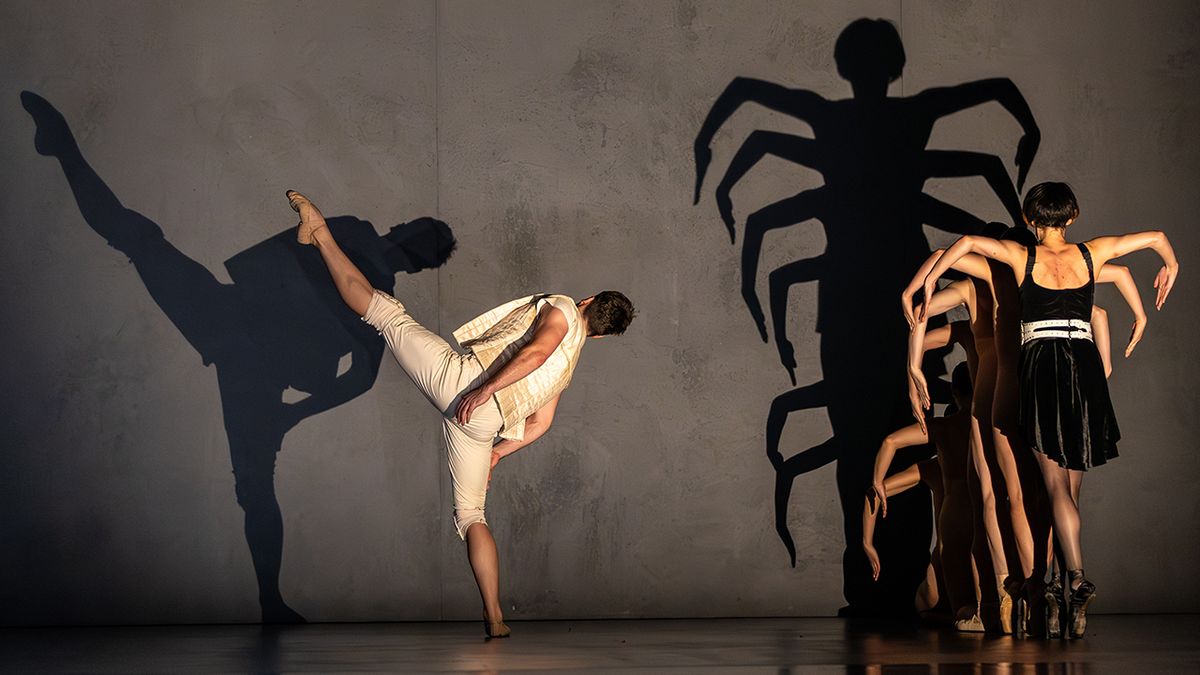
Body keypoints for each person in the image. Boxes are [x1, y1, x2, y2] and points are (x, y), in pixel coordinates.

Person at [286, 191, 635, 638]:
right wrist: (496, 455)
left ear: (588, 300)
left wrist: (486, 387)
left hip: (465, 385)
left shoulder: (565, 307)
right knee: (472, 516)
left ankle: (320, 235)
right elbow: (541, 425)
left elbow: (537, 349)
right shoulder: (570, 367)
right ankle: (494, 616)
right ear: (602, 337)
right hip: (482, 428)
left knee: (386, 315)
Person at [914, 182, 1179, 639]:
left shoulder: (1022, 258)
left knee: (1048, 486)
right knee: (1069, 492)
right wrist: (1159, 285)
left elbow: (966, 245)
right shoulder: (1091, 253)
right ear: (1072, 216)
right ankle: (1068, 579)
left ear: (1029, 218)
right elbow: (1155, 238)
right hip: (1084, 365)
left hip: (1042, 363)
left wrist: (920, 284)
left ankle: (1066, 580)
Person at [864, 361, 979, 629]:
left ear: (956, 394)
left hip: (953, 528)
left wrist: (867, 541)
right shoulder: (989, 427)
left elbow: (890, 443)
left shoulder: (938, 446)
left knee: (933, 605)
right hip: (984, 518)